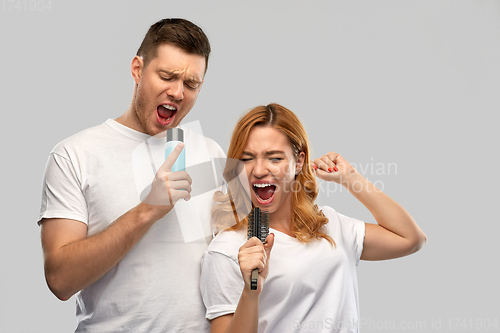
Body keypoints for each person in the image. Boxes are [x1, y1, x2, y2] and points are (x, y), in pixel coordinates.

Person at [38, 18, 225, 332]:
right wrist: (147, 211)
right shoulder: (73, 155)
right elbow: (60, 280)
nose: (178, 92)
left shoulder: (212, 153)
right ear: (138, 69)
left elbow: (247, 247)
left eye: (191, 84)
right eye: (167, 76)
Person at [200, 103, 427, 333]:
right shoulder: (227, 249)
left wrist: (350, 177)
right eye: (247, 158)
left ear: (299, 162)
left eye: (275, 158)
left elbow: (410, 239)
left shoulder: (330, 224)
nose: (259, 170)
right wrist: (251, 290)